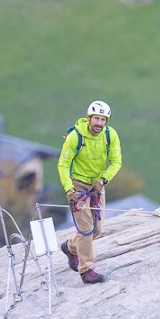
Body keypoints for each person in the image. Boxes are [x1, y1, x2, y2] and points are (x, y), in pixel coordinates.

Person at [57, 100, 122, 285]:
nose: (99, 123)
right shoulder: (75, 137)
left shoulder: (111, 136)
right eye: (96, 119)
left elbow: (116, 162)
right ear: (88, 118)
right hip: (78, 186)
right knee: (86, 229)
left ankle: (70, 247)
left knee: (97, 229)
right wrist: (70, 190)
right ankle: (86, 270)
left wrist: (103, 180)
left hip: (98, 186)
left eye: (103, 119)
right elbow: (63, 164)